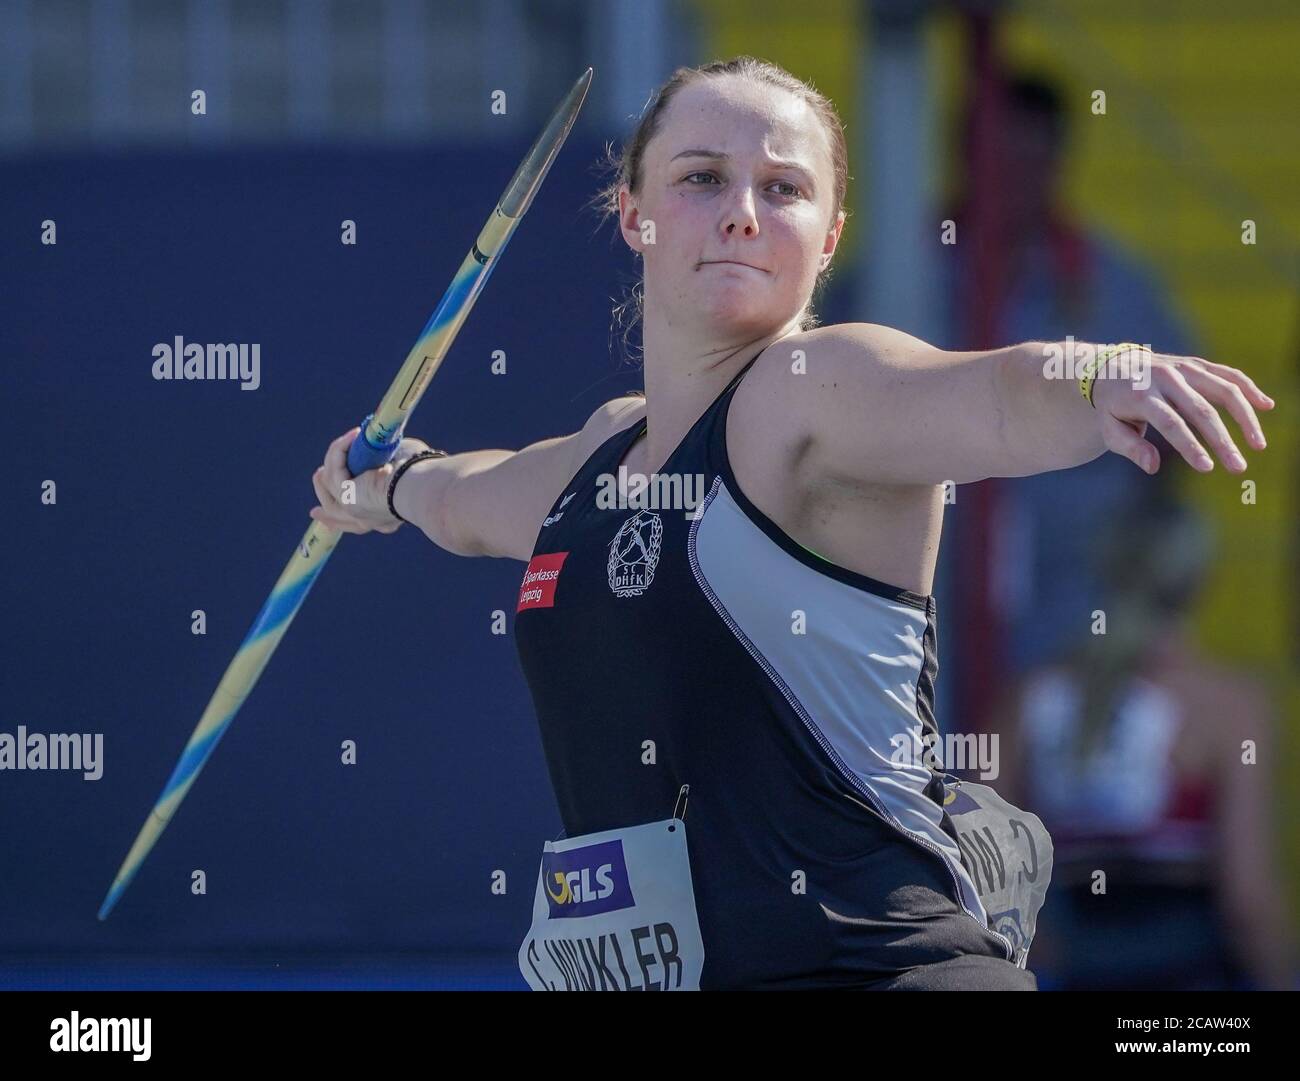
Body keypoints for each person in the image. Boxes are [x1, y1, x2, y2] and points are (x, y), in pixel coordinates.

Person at [307, 56, 1273, 990]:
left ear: (830, 234)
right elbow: (471, 500)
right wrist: (387, 485)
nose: (742, 211)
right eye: (702, 178)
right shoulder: (603, 454)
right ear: (634, 216)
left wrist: (1097, 374)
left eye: (784, 188)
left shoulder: (814, 393)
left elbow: (995, 395)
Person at [998, 458, 1295, 991]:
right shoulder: (1230, 706)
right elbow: (1247, 899)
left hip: (1068, 972)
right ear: (1198, 579)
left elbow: (979, 877)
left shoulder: (1030, 696)